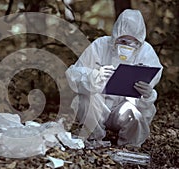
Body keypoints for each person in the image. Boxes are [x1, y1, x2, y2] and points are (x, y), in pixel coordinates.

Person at [65, 9, 163, 147]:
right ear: (115, 35)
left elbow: (149, 87)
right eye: (122, 40)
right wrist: (94, 76)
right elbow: (74, 75)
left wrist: (147, 94)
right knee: (86, 99)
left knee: (136, 115)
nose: (127, 45)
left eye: (132, 42)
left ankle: (129, 146)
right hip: (98, 104)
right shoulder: (100, 45)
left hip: (124, 107)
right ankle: (93, 139)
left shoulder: (146, 52)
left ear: (140, 41)